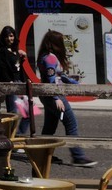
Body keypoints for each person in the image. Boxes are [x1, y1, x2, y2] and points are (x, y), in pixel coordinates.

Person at [38, 30, 95, 167]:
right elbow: (52, 80)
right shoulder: (50, 58)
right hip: (54, 96)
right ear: (56, 43)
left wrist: (76, 84)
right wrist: (56, 98)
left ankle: (44, 155)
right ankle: (78, 156)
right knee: (71, 123)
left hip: (48, 95)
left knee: (49, 127)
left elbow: (60, 76)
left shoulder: (46, 56)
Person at [0, 25, 27, 119]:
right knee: (13, 113)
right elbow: (2, 69)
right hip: (11, 83)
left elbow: (18, 67)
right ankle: (12, 133)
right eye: (7, 36)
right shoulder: (1, 52)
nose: (10, 38)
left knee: (28, 111)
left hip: (19, 82)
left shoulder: (15, 51)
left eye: (11, 36)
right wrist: (9, 83)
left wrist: (21, 57)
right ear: (3, 38)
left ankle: (19, 132)